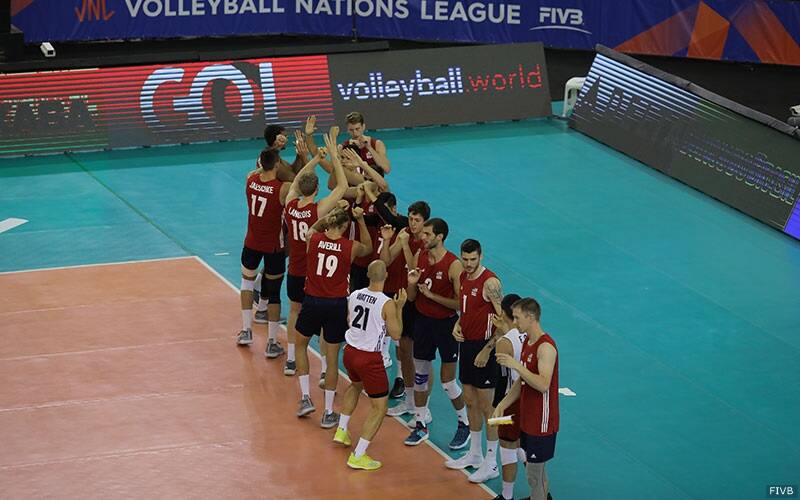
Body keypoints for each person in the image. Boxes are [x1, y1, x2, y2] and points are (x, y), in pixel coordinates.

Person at [294, 198, 373, 428]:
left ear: (330, 223)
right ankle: (328, 412)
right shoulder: (350, 247)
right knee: (331, 358)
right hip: (337, 305)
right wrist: (360, 220)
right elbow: (367, 247)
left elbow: (312, 229)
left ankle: (306, 398)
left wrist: (329, 216)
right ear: (345, 227)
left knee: (300, 345)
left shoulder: (315, 239)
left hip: (312, 301)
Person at [282, 127, 348, 376]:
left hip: (294, 271)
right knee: (322, 324)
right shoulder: (317, 211)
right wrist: (330, 156)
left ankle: (290, 359)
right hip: (314, 275)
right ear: (317, 189)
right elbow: (341, 186)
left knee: (294, 312)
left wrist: (316, 160)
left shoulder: (290, 205)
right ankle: (323, 369)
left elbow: (298, 180)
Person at [333, 260, 407, 470]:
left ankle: (342, 429)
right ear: (386, 277)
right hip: (370, 359)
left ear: (367, 274)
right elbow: (396, 334)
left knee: (355, 386)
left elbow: (349, 320)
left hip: (350, 352)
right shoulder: (387, 303)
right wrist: (399, 308)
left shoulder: (355, 294)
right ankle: (359, 454)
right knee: (379, 407)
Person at [403, 218, 470, 449]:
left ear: (440, 237)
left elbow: (460, 305)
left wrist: (431, 297)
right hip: (422, 322)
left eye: (428, 234)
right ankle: (421, 424)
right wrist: (412, 283)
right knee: (420, 375)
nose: (423, 237)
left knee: (448, 382)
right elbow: (412, 297)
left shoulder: (454, 265)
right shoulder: (418, 257)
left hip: (446, 326)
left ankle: (465, 424)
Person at [445, 239, 503, 484]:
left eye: (473, 260)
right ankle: (475, 454)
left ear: (481, 256)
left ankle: (492, 462)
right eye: (465, 259)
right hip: (467, 345)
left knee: (488, 407)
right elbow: (465, 309)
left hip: (485, 349)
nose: (468, 264)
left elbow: (504, 323)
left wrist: (487, 349)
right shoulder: (464, 278)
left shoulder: (490, 283)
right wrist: (458, 325)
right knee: (470, 400)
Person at [495, 298, 559, 500]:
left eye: (517, 317)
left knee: (534, 477)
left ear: (530, 317)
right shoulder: (528, 343)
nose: (514, 322)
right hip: (528, 418)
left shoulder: (545, 348)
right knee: (536, 473)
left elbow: (542, 384)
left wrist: (516, 365)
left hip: (542, 422)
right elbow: (521, 383)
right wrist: (502, 406)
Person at [235, 147, 290, 359]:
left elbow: (255, 171)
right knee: (274, 293)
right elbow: (301, 181)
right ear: (277, 164)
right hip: (274, 247)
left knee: (247, 284)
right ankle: (271, 342)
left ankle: (246, 331)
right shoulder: (282, 188)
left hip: (251, 242)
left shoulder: (251, 180)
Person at [381, 201, 430, 412]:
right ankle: (410, 401)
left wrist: (403, 244)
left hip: (417, 304)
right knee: (403, 349)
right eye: (410, 218)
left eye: (417, 220)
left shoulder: (425, 244)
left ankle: (423, 406)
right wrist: (387, 241)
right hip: (399, 299)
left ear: (425, 222)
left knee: (421, 357)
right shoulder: (404, 234)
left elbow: (413, 271)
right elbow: (385, 260)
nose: (412, 223)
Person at [490, 294, 525, 500]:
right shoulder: (529, 335)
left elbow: (502, 374)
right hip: (528, 399)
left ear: (503, 313)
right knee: (521, 443)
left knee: (507, 445)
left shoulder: (505, 342)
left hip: (510, 398)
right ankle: (541, 490)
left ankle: (506, 495)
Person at [343, 111, 391, 176]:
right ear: (347, 130)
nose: (354, 133)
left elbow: (387, 169)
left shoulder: (376, 144)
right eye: (351, 130)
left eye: (357, 129)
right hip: (355, 185)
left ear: (363, 127)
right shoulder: (345, 147)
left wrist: (369, 148)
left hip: (373, 184)